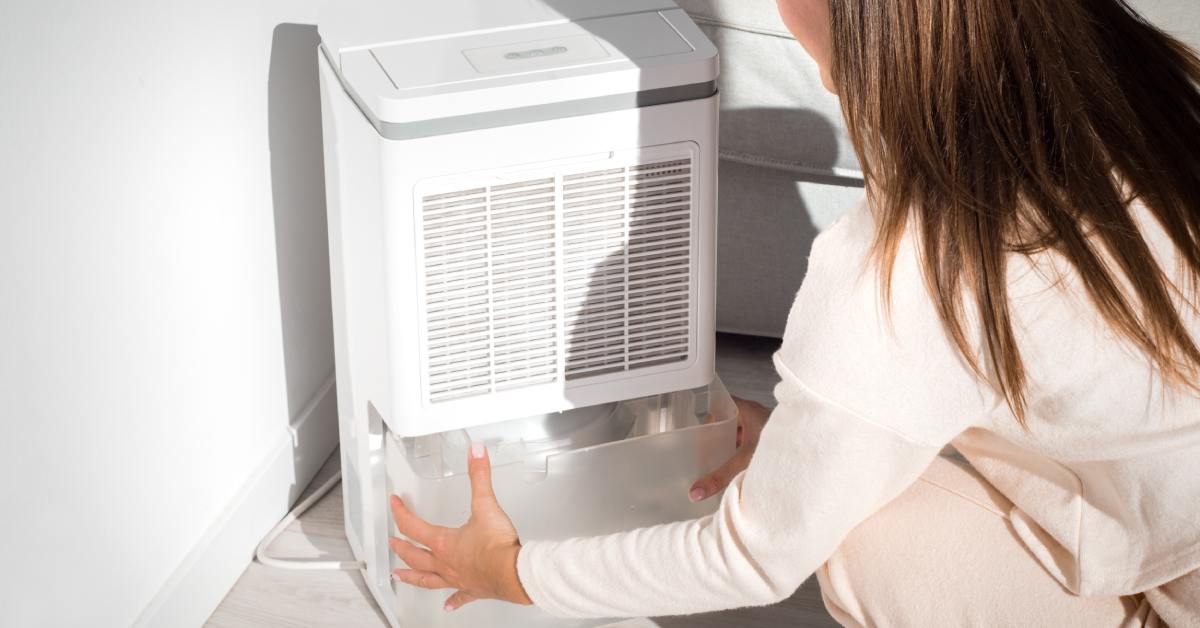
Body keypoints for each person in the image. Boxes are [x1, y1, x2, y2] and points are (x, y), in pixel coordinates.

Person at [384, 0, 1200, 624]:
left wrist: (513, 573)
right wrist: (805, 436)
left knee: (861, 537)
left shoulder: (909, 266)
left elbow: (753, 555)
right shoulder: (1158, 76)